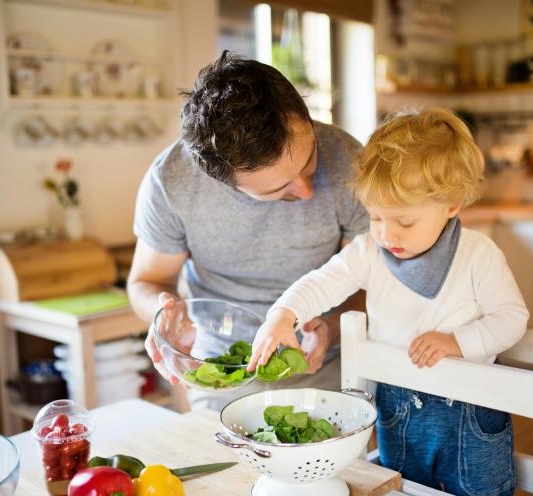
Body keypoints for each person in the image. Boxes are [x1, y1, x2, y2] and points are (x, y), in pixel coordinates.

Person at [248, 107, 529, 496]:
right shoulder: (369, 251)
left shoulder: (478, 255)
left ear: (450, 204)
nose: (386, 233)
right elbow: (323, 282)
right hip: (398, 407)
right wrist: (284, 314)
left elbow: (512, 319)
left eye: (403, 221)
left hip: (468, 411)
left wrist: (457, 341)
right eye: (375, 216)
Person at [127, 51, 368, 411]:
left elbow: (373, 277)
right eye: (278, 190)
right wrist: (164, 315)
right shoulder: (172, 181)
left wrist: (332, 326)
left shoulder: (349, 160)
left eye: (309, 161)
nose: (306, 191)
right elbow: (146, 280)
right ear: (222, 181)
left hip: (330, 368)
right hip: (222, 374)